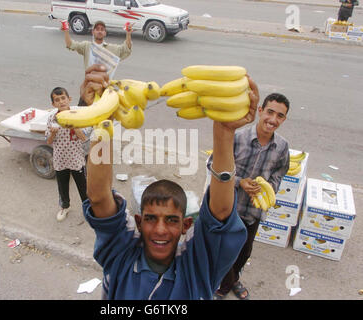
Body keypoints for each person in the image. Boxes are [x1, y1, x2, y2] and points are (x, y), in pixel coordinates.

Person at [78, 64, 261, 299]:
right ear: (138, 221)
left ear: (186, 225)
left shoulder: (199, 267)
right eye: (151, 218)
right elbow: (99, 197)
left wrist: (224, 133)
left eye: (172, 220)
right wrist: (100, 120)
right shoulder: (121, 254)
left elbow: (222, 212)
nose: (160, 230)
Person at [213, 93, 290, 300]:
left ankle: (233, 279)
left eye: (280, 116)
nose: (273, 120)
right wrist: (239, 182)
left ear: (284, 119)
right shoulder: (237, 138)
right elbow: (212, 164)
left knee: (244, 253)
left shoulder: (282, 147)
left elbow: (280, 172)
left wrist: (267, 188)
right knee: (224, 251)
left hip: (254, 211)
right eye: (270, 112)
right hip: (228, 208)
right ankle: (224, 286)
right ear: (260, 111)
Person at [45, 87, 90, 222]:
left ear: (69, 99)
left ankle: (87, 209)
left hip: (76, 158)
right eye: (57, 100)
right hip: (60, 158)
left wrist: (74, 126)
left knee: (83, 186)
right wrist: (53, 132)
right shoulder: (52, 118)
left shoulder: (78, 116)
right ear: (53, 104)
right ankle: (65, 206)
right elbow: (48, 141)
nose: (61, 102)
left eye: (63, 98)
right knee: (62, 185)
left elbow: (84, 138)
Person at [63, 20, 133, 69]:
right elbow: (70, 44)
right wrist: (66, 31)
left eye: (102, 29)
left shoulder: (111, 48)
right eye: (97, 29)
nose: (100, 31)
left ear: (105, 33)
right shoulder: (86, 46)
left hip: (105, 85)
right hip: (90, 83)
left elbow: (126, 49)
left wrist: (128, 34)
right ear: (93, 32)